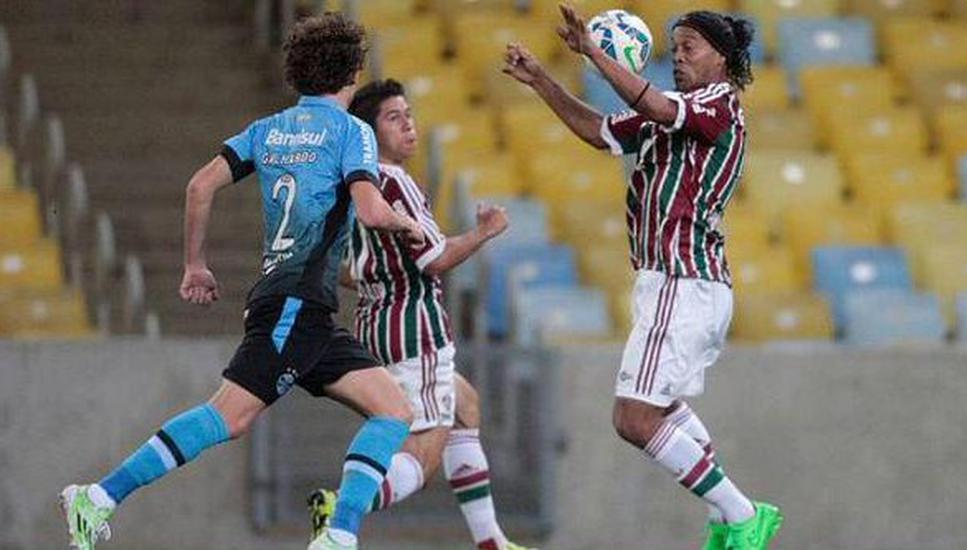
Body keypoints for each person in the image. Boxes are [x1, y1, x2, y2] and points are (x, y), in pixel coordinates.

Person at [59, 14, 422, 550]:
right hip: (294, 306)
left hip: (306, 311)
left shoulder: (266, 130)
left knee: (394, 411)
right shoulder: (352, 132)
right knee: (228, 416)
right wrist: (405, 222)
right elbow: (370, 210)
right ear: (352, 71)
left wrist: (195, 265)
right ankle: (99, 496)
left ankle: (340, 534)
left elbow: (199, 186)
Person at [502, 5, 782, 550]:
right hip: (673, 283)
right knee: (662, 410)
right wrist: (542, 81)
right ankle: (729, 518)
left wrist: (593, 52)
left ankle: (741, 513)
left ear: (721, 58)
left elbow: (650, 102)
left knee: (633, 418)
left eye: (689, 48)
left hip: (684, 278)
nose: (677, 58)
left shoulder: (718, 103)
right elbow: (599, 131)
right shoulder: (672, 114)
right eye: (674, 49)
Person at [306, 79, 535, 550]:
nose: (409, 125)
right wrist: (485, 231)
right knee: (424, 454)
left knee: (465, 405)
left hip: (375, 326)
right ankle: (342, 508)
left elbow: (348, 269)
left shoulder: (358, 187)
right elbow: (436, 259)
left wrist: (379, 280)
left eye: (409, 115)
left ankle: (491, 541)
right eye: (394, 118)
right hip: (416, 330)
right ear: (371, 134)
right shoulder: (395, 182)